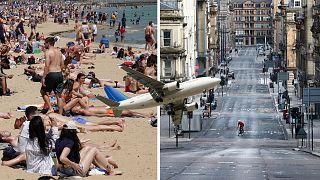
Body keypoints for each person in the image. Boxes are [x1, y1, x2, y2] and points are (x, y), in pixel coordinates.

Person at [55, 121, 122, 177]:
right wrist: (74, 165)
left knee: (87, 148)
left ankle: (104, 164)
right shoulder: (70, 142)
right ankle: (111, 171)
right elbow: (62, 158)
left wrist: (79, 145)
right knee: (94, 150)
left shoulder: (58, 140)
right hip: (74, 171)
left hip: (63, 169)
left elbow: (68, 154)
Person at [40, 37, 64, 114]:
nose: (44, 45)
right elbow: (62, 65)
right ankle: (60, 113)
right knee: (59, 95)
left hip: (51, 73)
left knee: (43, 92)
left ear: (48, 43)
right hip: (59, 73)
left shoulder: (48, 52)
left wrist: (43, 77)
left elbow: (47, 66)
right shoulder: (59, 52)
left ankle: (50, 108)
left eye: (45, 43)